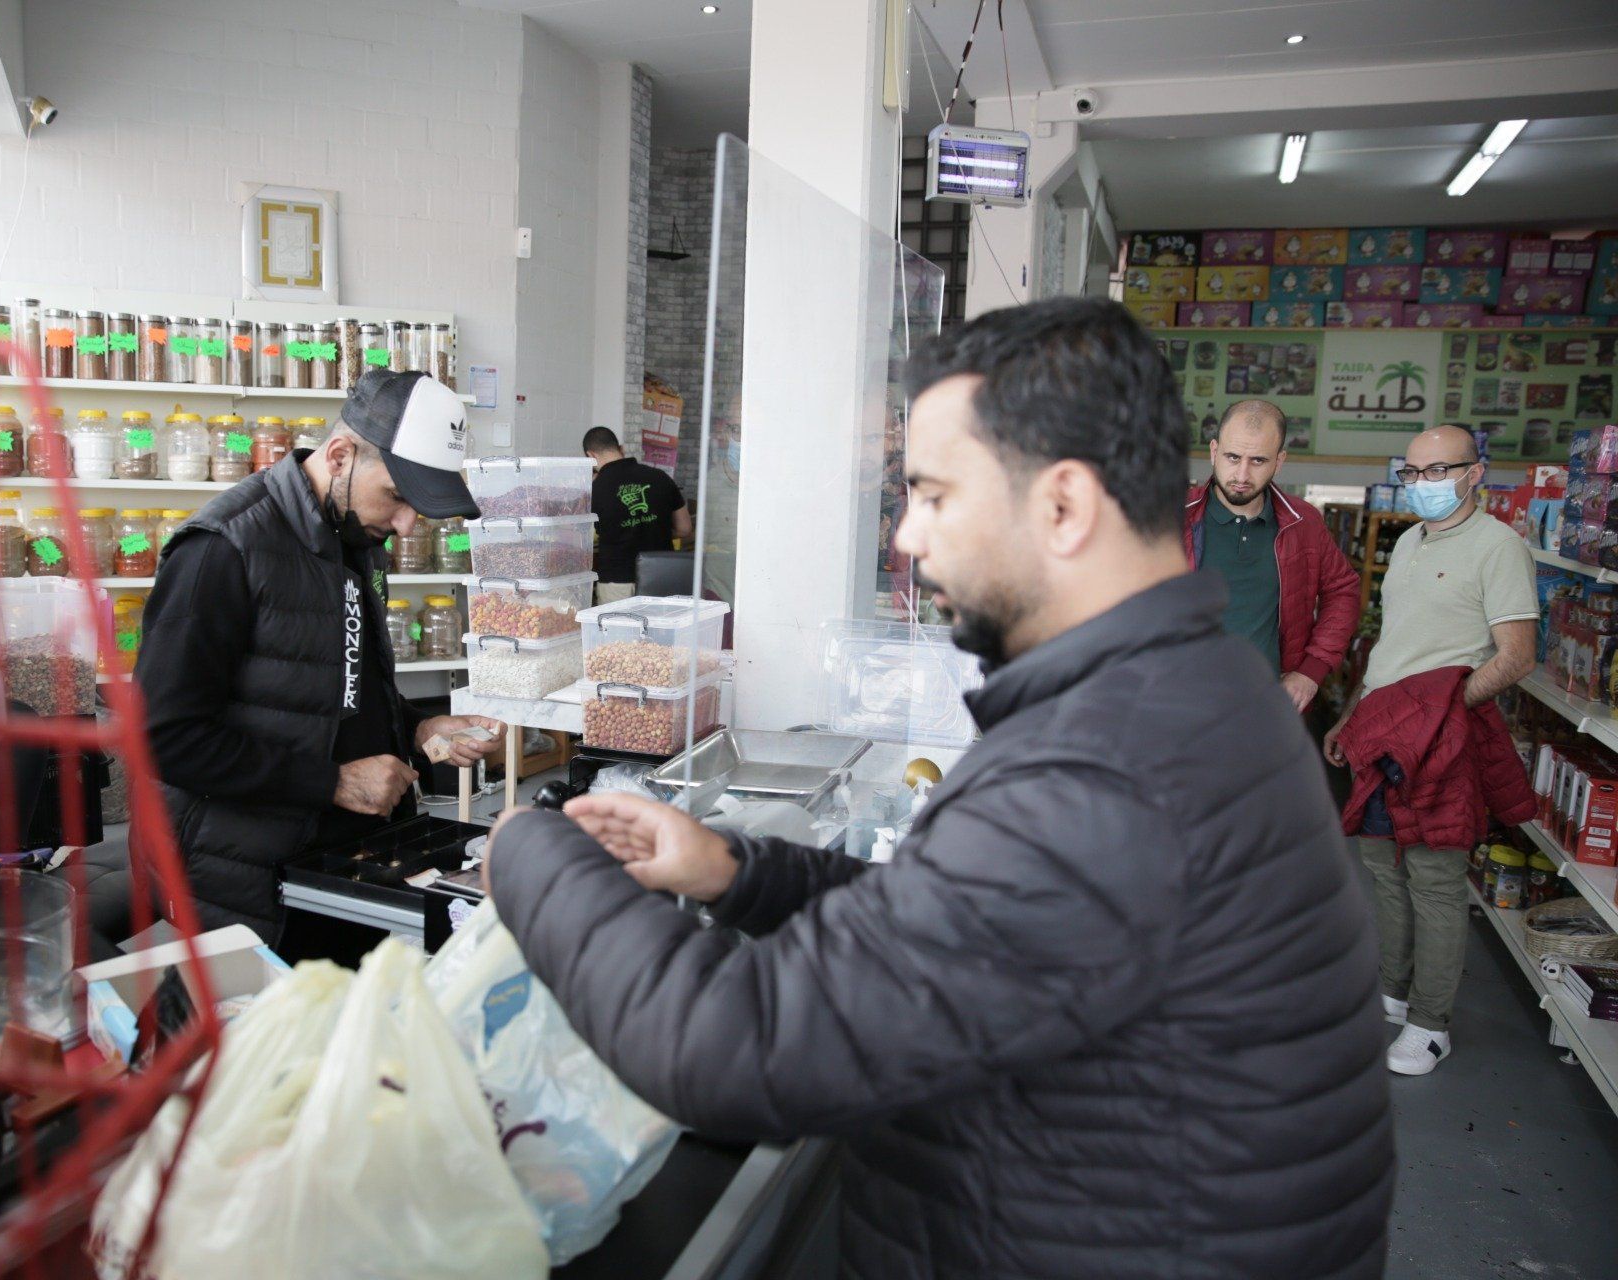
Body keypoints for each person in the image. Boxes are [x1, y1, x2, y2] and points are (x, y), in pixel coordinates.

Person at [484, 298, 1394, 1279]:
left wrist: (532, 850)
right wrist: (736, 871)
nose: (909, 535)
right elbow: (962, 920)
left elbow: (738, 1047)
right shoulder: (1184, 689)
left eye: (933, 495)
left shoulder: (1107, 762)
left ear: (1063, 505)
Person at [134, 369, 505, 939]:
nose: (406, 526)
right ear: (339, 456)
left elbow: (339, 685)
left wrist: (416, 725)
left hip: (345, 860)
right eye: (397, 497)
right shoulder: (224, 548)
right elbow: (163, 738)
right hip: (246, 881)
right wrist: (330, 781)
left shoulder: (355, 536)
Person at [1325, 425, 1538, 1076]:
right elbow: (1394, 644)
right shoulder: (1411, 541)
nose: (1423, 484)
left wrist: (1443, 710)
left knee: (1435, 880)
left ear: (1476, 472)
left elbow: (1517, 657)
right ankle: (1392, 992)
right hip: (1381, 729)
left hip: (1442, 738)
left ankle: (1430, 1024)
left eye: (1438, 470)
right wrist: (1353, 713)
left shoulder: (1499, 546)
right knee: (1382, 866)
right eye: (1413, 473)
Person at [1182, 398, 1362, 711]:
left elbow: (1343, 590)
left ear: (1279, 461)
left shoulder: (1303, 522)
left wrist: (1311, 671)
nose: (1241, 475)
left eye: (1258, 461)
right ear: (1214, 451)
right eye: (1232, 457)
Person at [583, 426, 690, 605]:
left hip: (617, 581)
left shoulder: (594, 488)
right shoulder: (660, 477)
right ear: (621, 449)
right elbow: (685, 528)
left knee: (618, 624)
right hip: (660, 575)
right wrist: (652, 528)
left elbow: (583, 535)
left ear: (590, 456)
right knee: (658, 624)